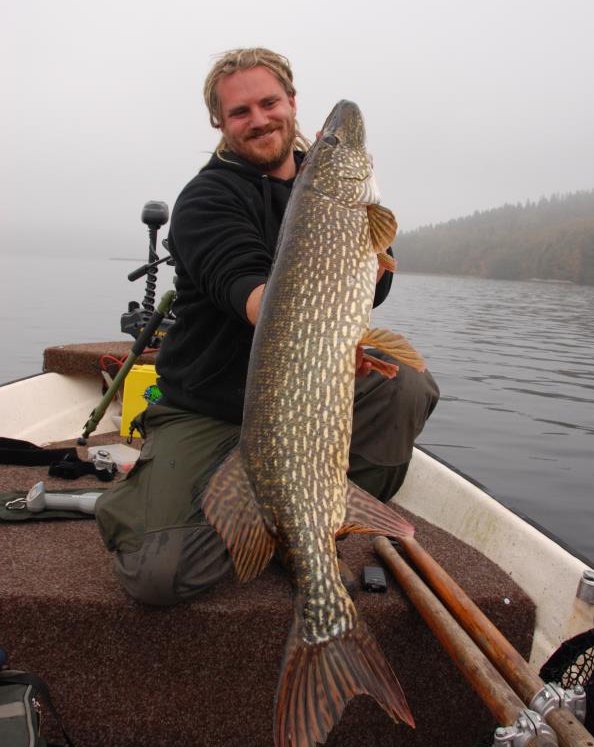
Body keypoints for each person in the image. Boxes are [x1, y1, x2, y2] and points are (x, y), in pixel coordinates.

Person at [95, 48, 439, 606]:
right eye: (240, 112)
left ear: (291, 103)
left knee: (405, 387)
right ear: (220, 123)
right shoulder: (205, 200)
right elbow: (250, 293)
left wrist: (334, 340)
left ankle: (308, 526)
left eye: (269, 103)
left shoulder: (337, 196)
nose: (258, 119)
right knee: (157, 574)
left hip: (305, 400)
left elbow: (370, 289)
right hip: (208, 410)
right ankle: (222, 509)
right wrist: (316, 338)